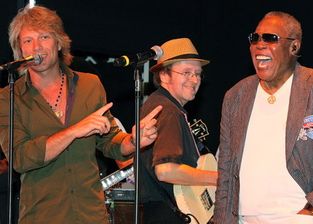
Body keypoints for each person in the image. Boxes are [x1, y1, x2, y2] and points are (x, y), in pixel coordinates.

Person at [0, 5, 162, 224]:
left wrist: (133, 141)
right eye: (28, 40)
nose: (36, 47)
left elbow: (109, 141)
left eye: (44, 37)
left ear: (58, 42)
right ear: (19, 50)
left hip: (90, 214)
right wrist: (75, 131)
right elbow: (20, 158)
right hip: (42, 216)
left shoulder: (90, 85)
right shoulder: (9, 97)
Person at [213, 11, 313, 224]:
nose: (259, 44)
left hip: (301, 218)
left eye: (270, 38)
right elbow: (226, 169)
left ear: (294, 46)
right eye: (255, 38)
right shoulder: (236, 97)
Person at [139, 37, 218, 224]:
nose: (194, 80)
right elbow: (166, 171)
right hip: (166, 216)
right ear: (164, 75)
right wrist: (219, 178)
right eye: (186, 72)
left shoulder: (158, 105)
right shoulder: (168, 110)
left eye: (198, 74)